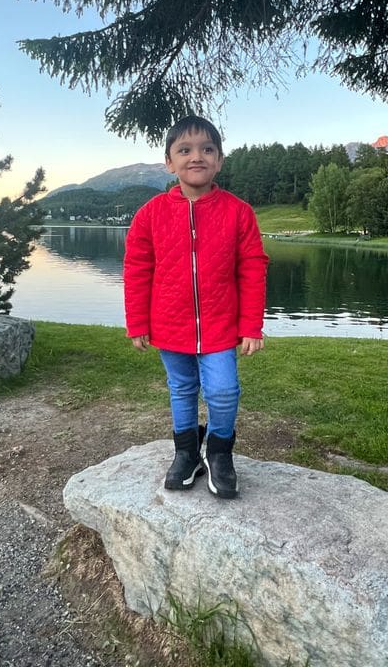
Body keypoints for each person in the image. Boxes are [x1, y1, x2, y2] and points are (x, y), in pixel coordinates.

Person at [123, 115, 268, 499]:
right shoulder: (151, 214)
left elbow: (252, 268)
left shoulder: (238, 212)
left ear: (219, 160)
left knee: (223, 391)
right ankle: (187, 454)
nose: (196, 157)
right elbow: (137, 268)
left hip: (221, 325)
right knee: (182, 389)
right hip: (169, 324)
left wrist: (251, 325)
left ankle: (219, 453)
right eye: (184, 150)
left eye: (207, 149)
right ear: (169, 162)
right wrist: (137, 321)